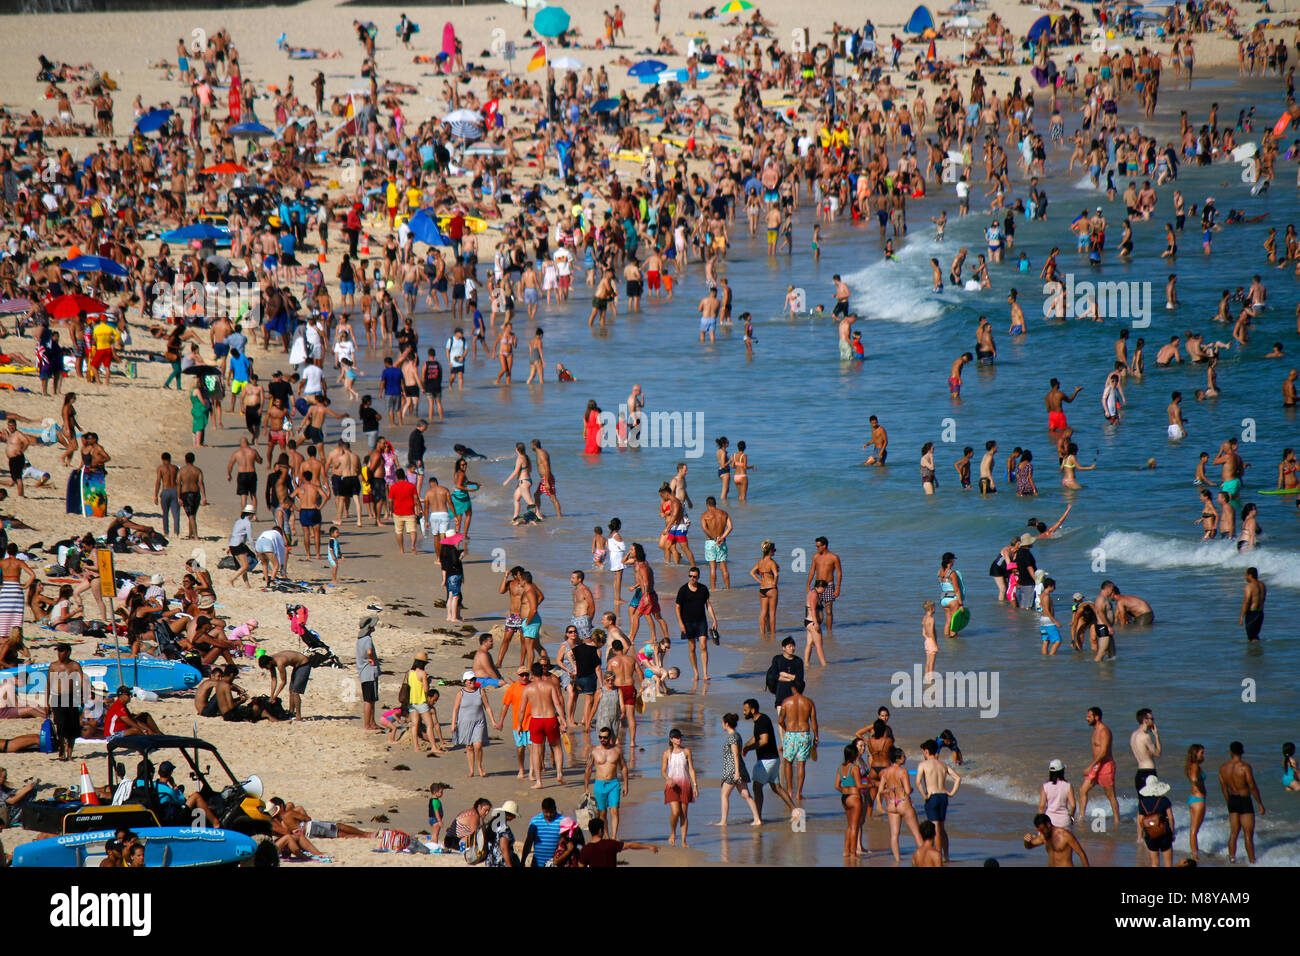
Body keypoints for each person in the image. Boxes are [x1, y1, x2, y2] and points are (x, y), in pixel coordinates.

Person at [741, 698, 795, 820]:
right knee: (777, 788)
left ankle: (758, 817)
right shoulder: (760, 719)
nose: (744, 712)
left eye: (746, 710)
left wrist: (749, 749)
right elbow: (756, 738)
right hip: (774, 759)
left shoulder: (761, 721)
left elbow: (764, 740)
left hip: (766, 760)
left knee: (757, 787)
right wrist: (746, 746)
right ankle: (795, 810)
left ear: (753, 710)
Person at [711, 712, 762, 827]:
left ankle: (723, 821)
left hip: (733, 770)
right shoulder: (737, 735)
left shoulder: (732, 737)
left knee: (724, 795)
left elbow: (735, 755)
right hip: (737, 769)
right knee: (746, 795)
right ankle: (757, 819)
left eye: (723, 723)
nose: (722, 725)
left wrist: (736, 772)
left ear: (727, 724)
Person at [915, 738, 961, 862]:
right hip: (943, 796)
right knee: (941, 828)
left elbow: (918, 782)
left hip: (933, 796)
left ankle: (938, 857)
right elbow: (958, 778)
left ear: (926, 751)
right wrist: (951, 793)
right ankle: (946, 856)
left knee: (936, 830)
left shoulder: (923, 764)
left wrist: (924, 795)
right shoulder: (943, 764)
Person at [1219, 741, 1265, 864]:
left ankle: (1232, 859)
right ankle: (1252, 861)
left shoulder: (1223, 768)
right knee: (1248, 834)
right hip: (1244, 800)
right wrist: (1260, 803)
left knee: (1234, 832)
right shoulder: (1245, 767)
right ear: (1242, 751)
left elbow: (1224, 789)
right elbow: (1252, 786)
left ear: (1230, 752)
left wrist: (1229, 801)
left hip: (1232, 800)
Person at [877, 747, 924, 863]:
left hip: (892, 803)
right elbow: (907, 790)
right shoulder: (903, 771)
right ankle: (923, 857)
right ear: (898, 759)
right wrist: (910, 789)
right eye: (903, 756)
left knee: (894, 834)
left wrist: (889, 790)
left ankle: (897, 860)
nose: (905, 758)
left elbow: (880, 790)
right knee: (916, 832)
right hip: (903, 802)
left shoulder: (885, 772)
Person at [1078, 706, 1121, 827]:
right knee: (1083, 790)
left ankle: (1117, 820)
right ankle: (1081, 817)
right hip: (1097, 766)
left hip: (1106, 766)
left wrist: (1089, 766)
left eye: (1089, 716)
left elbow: (1103, 752)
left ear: (1096, 717)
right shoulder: (1095, 730)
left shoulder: (1104, 731)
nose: (1086, 718)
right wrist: (1093, 766)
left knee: (1110, 795)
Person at [584, 724, 629, 838]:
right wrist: (586, 787)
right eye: (600, 737)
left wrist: (626, 785)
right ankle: (607, 836)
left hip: (613, 783)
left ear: (610, 737)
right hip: (599, 784)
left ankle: (614, 836)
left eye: (605, 737)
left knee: (614, 810)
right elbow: (588, 769)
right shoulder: (594, 751)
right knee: (602, 813)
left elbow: (623, 767)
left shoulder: (617, 750)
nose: (602, 740)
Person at [777, 680, 817, 805]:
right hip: (804, 734)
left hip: (790, 734)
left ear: (793, 688)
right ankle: (799, 793)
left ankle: (789, 791)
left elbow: (780, 720)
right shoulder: (809, 702)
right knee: (801, 764)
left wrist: (785, 729)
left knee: (788, 763)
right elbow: (814, 721)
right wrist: (816, 736)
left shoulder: (786, 702)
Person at [674, 566, 717, 682]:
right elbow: (677, 607)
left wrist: (714, 619)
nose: (692, 578)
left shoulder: (703, 589)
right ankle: (696, 673)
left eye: (694, 577)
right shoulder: (683, 590)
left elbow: (708, 605)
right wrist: (680, 623)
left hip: (701, 621)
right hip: (687, 622)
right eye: (690, 576)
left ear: (698, 577)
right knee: (692, 647)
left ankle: (705, 673)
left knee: (703, 645)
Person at [452, 672, 495, 778]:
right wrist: (453, 724)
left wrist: (493, 721)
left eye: (473, 679)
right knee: (469, 747)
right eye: (469, 680)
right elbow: (455, 709)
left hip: (479, 722)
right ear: (465, 682)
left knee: (478, 745)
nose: (471, 681)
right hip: (464, 723)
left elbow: (487, 707)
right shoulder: (460, 693)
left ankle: (480, 767)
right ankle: (471, 770)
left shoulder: (481, 691)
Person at [660, 728, 698, 846]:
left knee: (684, 814)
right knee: (675, 812)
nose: (679, 739)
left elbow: (691, 769)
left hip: (685, 784)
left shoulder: (686, 751)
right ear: (671, 739)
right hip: (672, 786)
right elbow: (663, 771)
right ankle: (672, 833)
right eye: (677, 737)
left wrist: (695, 785)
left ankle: (683, 840)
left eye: (680, 737)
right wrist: (668, 779)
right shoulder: (667, 753)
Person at [579, 816, 658, 867]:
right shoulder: (610, 844)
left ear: (590, 831)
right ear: (600, 830)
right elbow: (630, 845)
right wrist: (648, 846)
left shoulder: (585, 850)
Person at [1023, 813, 1090, 866]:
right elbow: (1029, 846)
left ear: (1048, 825)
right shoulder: (1044, 837)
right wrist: (1027, 841)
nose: (1041, 832)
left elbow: (1081, 854)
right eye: (1039, 830)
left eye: (1042, 829)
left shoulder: (1065, 835)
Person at [1136, 776, 1176, 867]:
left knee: (1154, 863)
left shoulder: (1142, 803)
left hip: (1150, 835)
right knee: (1168, 864)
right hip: (1164, 833)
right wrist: (1172, 833)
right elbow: (1171, 818)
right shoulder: (1164, 801)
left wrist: (1142, 834)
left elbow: (1140, 821)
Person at [520, 797, 564, 868]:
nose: (549, 814)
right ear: (542, 809)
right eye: (546, 812)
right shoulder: (535, 821)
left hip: (556, 863)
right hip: (537, 864)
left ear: (555, 808)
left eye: (551, 812)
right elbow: (529, 842)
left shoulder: (562, 821)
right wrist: (523, 861)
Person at [1038, 758, 1077, 831]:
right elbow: (1073, 805)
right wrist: (1071, 817)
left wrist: (1041, 822)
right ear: (1062, 771)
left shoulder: (1045, 786)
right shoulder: (1068, 785)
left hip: (1049, 820)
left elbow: (1041, 806)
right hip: (1064, 821)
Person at [1239, 566, 1266, 641]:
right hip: (1260, 613)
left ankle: (1253, 652)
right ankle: (1258, 652)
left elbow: (1246, 602)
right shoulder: (1262, 585)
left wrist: (1241, 616)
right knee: (1255, 636)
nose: (1245, 577)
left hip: (1252, 614)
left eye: (1246, 575)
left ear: (1250, 575)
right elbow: (1263, 599)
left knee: (1252, 638)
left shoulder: (1249, 587)